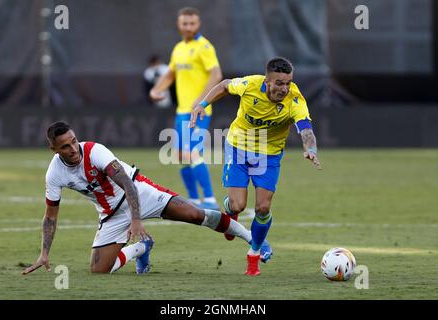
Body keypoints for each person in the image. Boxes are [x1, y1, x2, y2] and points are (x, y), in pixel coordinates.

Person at [21, 121, 272, 275]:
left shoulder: (94, 151)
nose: (73, 149)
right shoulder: (54, 173)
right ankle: (142, 248)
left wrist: (137, 220)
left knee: (196, 215)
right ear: (54, 149)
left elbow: (127, 183)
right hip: (110, 214)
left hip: (140, 192)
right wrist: (44, 253)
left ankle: (252, 238)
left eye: (74, 141)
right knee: (98, 270)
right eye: (65, 146)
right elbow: (50, 216)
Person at [190, 57, 322, 276]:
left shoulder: (295, 100)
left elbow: (306, 129)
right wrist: (202, 105)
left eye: (288, 82)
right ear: (267, 81)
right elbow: (224, 85)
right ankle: (230, 210)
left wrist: (311, 149)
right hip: (238, 147)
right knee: (238, 204)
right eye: (279, 83)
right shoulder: (250, 85)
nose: (285, 88)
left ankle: (253, 255)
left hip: (269, 155)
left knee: (262, 208)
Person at [149, 7, 222, 210]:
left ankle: (209, 199)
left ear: (198, 24)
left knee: (192, 153)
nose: (188, 27)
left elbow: (216, 75)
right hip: (182, 111)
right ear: (179, 25)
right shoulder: (179, 48)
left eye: (192, 23)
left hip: (199, 111)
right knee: (180, 154)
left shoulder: (204, 47)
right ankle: (193, 200)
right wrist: (156, 89)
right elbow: (171, 74)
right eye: (185, 23)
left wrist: (201, 101)